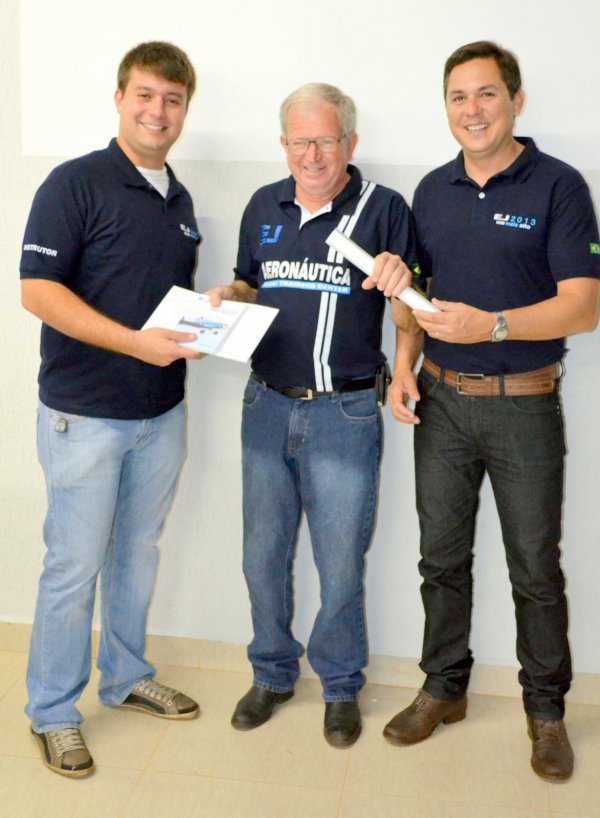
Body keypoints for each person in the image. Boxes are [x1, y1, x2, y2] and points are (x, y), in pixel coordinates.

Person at [383, 41, 600, 782]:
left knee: (535, 568)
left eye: (485, 94)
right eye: (457, 96)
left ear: (515, 100)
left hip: (524, 407)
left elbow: (583, 307)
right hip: (440, 402)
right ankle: (443, 689)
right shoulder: (431, 191)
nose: (471, 110)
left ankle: (546, 712)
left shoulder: (559, 185)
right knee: (440, 560)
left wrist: (493, 325)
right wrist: (403, 365)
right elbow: (415, 302)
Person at [206, 82, 418, 747]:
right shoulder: (261, 205)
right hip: (265, 406)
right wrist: (230, 295)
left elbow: (411, 317)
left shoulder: (384, 209)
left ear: (350, 142)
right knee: (262, 557)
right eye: (300, 141)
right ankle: (271, 673)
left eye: (326, 140)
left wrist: (403, 289)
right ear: (283, 144)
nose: (313, 155)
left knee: (341, 564)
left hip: (345, 414)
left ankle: (340, 685)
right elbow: (250, 282)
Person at [20, 41, 203, 778]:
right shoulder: (75, 183)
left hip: (161, 415)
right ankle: (53, 712)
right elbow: (38, 291)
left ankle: (125, 677)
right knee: (73, 568)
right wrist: (134, 344)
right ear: (120, 99)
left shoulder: (178, 199)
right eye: (146, 95)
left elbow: (153, 299)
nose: (158, 111)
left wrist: (209, 313)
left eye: (172, 100)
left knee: (135, 555)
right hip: (85, 416)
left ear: (185, 110)